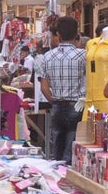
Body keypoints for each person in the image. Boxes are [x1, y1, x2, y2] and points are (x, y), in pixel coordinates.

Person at [35, 14, 86, 163]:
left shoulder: (47, 57)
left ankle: (56, 177)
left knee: (57, 146)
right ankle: (69, 175)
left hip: (57, 106)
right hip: (77, 106)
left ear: (58, 34)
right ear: (77, 33)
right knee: (72, 147)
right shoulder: (83, 55)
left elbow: (44, 88)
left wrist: (54, 100)